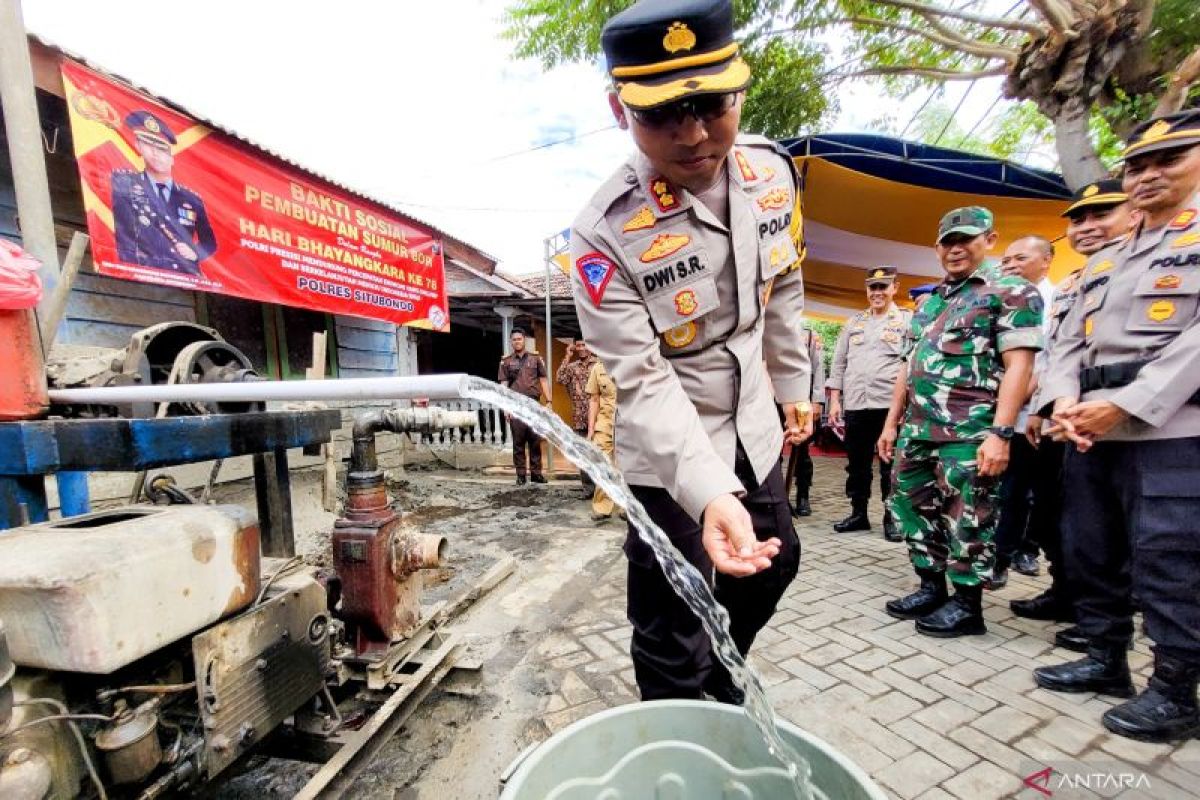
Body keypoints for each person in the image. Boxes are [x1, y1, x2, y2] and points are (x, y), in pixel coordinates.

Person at [570, 0, 809, 702]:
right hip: (668, 437)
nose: (694, 133)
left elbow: (785, 283)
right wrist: (707, 496)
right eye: (661, 114)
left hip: (754, 419)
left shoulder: (772, 173)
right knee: (672, 608)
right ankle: (677, 721)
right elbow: (641, 381)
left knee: (775, 560)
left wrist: (793, 384)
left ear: (741, 87)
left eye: (710, 103)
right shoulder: (602, 232)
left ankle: (721, 673)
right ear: (620, 112)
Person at [1033, 110, 1200, 743]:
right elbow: (1066, 344)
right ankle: (1106, 658)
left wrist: (1129, 404)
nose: (1148, 175)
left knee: (1169, 560)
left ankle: (1176, 691)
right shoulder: (1105, 261)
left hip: (1172, 430)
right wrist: (1066, 402)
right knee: (1090, 547)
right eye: (1136, 166)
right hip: (1090, 429)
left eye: (1169, 160)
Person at [878, 206, 1043, 638]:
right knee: (911, 507)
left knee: (969, 516)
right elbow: (907, 366)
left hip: (969, 432)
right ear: (937, 248)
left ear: (989, 239)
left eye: (966, 239)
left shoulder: (1011, 291)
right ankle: (931, 586)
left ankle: (967, 605)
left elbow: (1019, 366)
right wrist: (891, 424)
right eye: (948, 242)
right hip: (916, 429)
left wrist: (1001, 433)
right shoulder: (931, 302)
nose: (956, 249)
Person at [1013, 179, 1135, 653]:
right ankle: (1072, 599)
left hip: (1133, 421)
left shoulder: (1165, 261)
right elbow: (1059, 352)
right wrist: (1048, 407)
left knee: (1127, 536)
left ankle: (1112, 632)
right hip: (1064, 421)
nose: (1086, 226)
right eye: (1078, 218)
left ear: (1133, 213)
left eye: (1101, 214)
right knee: (1064, 521)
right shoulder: (1074, 284)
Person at [990, 236, 1058, 587]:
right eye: (1006, 259)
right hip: (1005, 413)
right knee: (1009, 490)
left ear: (1046, 260)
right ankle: (999, 557)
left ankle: (1026, 549)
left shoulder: (1057, 299)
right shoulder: (998, 298)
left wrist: (1015, 403)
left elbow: (1044, 362)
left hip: (1040, 414)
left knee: (1037, 491)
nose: (1011, 264)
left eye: (1020, 258)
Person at [827, 266, 910, 540]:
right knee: (857, 463)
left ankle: (891, 518)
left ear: (894, 288)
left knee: (890, 465)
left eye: (883, 287)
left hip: (888, 406)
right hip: (856, 405)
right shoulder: (854, 323)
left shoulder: (906, 322)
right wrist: (835, 400)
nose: (877, 293)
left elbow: (910, 366)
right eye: (872, 287)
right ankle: (858, 513)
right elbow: (838, 363)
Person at [112, 111, 216, 275]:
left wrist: (195, 252)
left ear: (172, 157)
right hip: (140, 272)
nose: (155, 153)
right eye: (148, 145)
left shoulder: (192, 199)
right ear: (138, 147)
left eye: (162, 148)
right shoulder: (124, 183)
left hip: (183, 275)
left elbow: (209, 242)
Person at [498, 329, 551, 485]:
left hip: (534, 405)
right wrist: (505, 407)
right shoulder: (506, 362)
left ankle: (536, 474)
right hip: (516, 406)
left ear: (524, 340)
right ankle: (521, 475)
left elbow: (543, 380)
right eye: (514, 339)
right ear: (511, 342)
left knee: (535, 441)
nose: (517, 342)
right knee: (518, 442)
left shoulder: (535, 359)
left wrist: (549, 402)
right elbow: (504, 385)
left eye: (519, 339)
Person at [788, 326, 825, 517]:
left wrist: (817, 400)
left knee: (801, 451)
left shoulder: (809, 334)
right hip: (772, 399)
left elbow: (819, 368)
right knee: (770, 453)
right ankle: (778, 498)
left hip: (802, 399)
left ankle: (803, 496)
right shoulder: (768, 327)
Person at [556, 338, 599, 496]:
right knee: (583, 455)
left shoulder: (599, 364)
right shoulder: (572, 367)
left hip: (599, 417)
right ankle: (588, 489)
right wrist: (567, 356)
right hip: (580, 418)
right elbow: (560, 379)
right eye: (578, 345)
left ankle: (603, 491)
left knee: (601, 454)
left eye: (584, 345)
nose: (581, 348)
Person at [586, 358, 618, 521]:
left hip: (629, 422)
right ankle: (602, 507)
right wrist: (591, 428)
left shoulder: (632, 361)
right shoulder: (598, 368)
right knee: (603, 463)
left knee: (627, 466)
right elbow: (594, 399)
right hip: (605, 422)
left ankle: (627, 507)